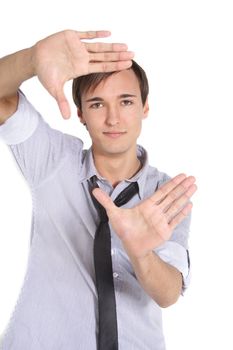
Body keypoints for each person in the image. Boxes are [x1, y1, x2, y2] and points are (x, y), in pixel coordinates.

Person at [0, 30, 197, 350]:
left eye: (126, 101)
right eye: (97, 103)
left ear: (145, 107)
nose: (113, 117)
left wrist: (140, 253)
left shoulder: (166, 192)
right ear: (80, 113)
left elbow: (169, 293)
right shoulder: (53, 162)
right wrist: (32, 60)